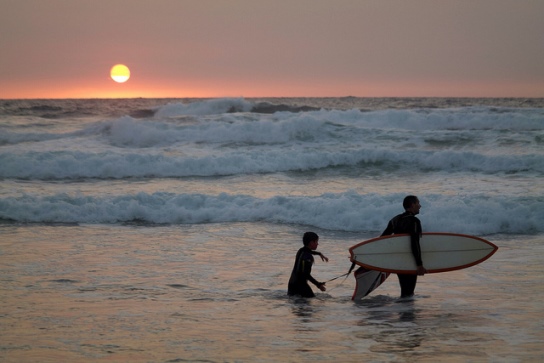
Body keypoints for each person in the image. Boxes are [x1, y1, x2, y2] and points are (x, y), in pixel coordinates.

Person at [381, 195, 427, 298]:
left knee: (404, 291)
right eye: (418, 203)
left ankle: (403, 311)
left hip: (398, 260)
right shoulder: (414, 221)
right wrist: (419, 264)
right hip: (410, 260)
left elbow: (382, 239)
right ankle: (406, 312)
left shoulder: (395, 220)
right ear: (412, 205)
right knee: (409, 292)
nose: (420, 206)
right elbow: (414, 243)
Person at [287, 231, 329, 298]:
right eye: (316, 242)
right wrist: (318, 284)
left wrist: (320, 254)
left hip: (292, 283)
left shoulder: (300, 251)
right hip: (301, 285)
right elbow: (305, 274)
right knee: (311, 302)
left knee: (296, 305)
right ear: (311, 243)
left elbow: (309, 251)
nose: (318, 244)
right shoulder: (308, 257)